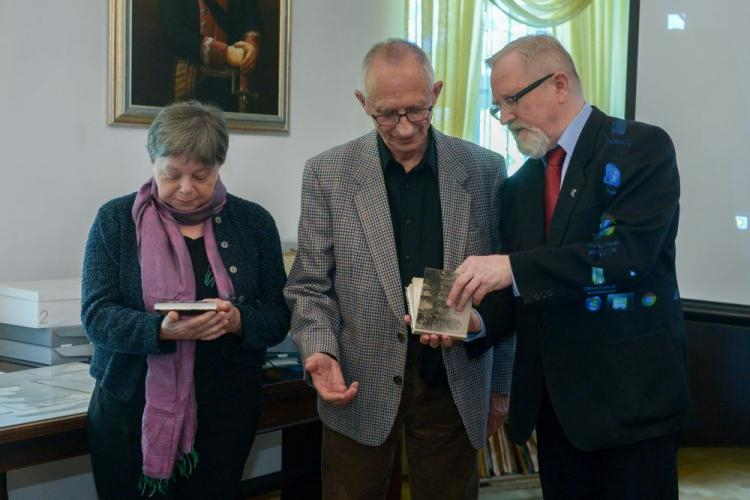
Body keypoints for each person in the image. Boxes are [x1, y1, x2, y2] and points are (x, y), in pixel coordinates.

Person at [447, 35, 695, 499]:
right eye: (498, 105)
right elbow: (521, 296)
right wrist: (474, 321)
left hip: (632, 409)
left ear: (559, 84)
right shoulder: (519, 187)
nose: (503, 117)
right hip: (557, 414)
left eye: (512, 100)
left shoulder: (640, 148)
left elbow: (626, 257)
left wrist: (512, 268)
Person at [283, 39, 515, 500]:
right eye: (387, 114)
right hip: (356, 381)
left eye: (416, 110)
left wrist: (501, 386)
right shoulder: (327, 173)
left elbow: (506, 288)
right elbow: (309, 286)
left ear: (437, 93)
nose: (405, 128)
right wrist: (319, 350)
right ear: (362, 103)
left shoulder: (486, 170)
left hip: (454, 380)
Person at [81, 100, 289, 499]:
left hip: (224, 411)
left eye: (201, 175)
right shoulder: (115, 220)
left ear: (219, 166)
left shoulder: (254, 223)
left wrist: (238, 320)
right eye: (171, 175)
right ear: (152, 162)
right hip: (130, 407)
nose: (186, 189)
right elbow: (96, 315)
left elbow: (278, 315)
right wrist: (160, 329)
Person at [160, 0, 262, 112]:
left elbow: (253, 21)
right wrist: (224, 53)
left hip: (231, 83)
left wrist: (251, 48)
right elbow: (174, 33)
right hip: (192, 80)